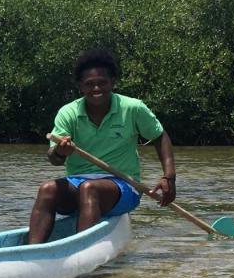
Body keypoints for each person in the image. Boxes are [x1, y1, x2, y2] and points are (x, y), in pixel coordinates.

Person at [27, 49, 175, 244]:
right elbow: (54, 158)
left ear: (113, 82)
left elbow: (159, 136)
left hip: (124, 185)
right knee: (47, 189)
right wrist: (60, 151)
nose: (96, 88)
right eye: (89, 84)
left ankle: (80, 251)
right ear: (80, 86)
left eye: (102, 83)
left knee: (90, 189)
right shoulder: (68, 113)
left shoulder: (132, 108)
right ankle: (33, 250)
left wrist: (169, 177)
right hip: (77, 183)